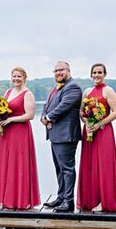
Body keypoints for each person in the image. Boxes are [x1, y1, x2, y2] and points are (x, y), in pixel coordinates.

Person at [76, 64, 116, 212]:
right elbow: (81, 112)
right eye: (94, 73)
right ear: (91, 75)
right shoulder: (87, 91)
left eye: (99, 72)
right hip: (89, 130)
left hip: (103, 131)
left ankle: (106, 201)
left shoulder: (108, 90)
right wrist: (87, 123)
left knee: (104, 164)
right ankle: (91, 199)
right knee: (89, 164)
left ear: (104, 74)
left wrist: (99, 124)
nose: (97, 75)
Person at [0, 67, 41, 210]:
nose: (16, 79)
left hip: (20, 133)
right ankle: (7, 198)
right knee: (7, 164)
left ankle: (21, 199)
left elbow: (30, 115)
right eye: (14, 76)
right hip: (6, 134)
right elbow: (0, 109)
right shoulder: (8, 92)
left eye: (19, 76)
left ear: (24, 78)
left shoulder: (27, 94)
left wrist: (11, 120)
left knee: (19, 163)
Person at [40, 61, 83, 212]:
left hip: (66, 134)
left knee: (67, 169)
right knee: (59, 168)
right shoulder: (55, 88)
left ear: (68, 70)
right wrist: (44, 118)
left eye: (61, 70)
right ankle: (61, 197)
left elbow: (63, 107)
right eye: (56, 70)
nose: (58, 73)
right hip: (55, 135)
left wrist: (49, 118)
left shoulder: (73, 87)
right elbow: (46, 106)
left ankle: (68, 201)